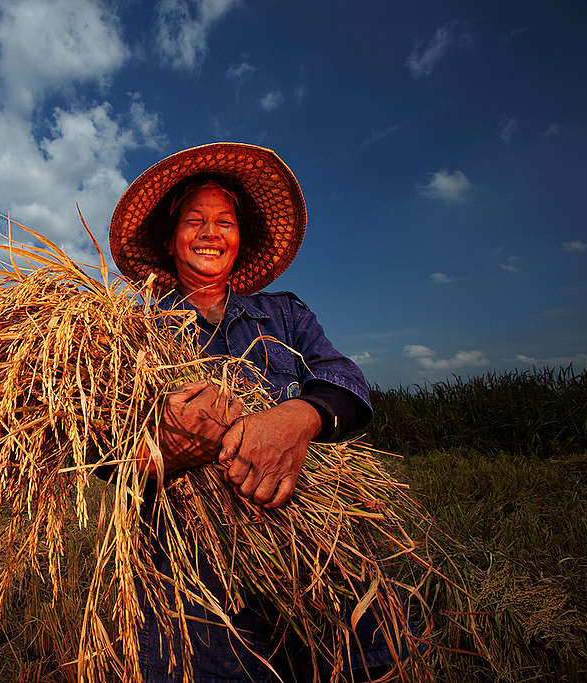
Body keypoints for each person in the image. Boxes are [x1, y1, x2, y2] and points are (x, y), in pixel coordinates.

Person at [108, 143, 383, 680]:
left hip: (311, 565)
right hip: (186, 586)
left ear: (240, 239)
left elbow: (348, 386)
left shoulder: (284, 316)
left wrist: (295, 420)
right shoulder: (130, 335)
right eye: (195, 221)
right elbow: (99, 456)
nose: (211, 232)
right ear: (170, 240)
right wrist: (158, 453)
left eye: (224, 221)